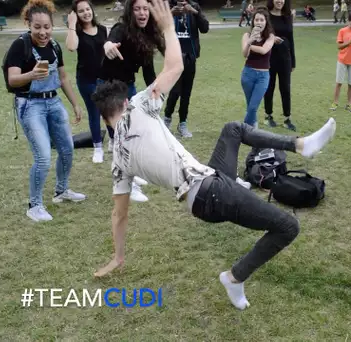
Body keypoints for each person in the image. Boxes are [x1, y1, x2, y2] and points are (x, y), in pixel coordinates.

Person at [90, 0, 337, 311]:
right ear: (124, 102)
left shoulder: (118, 162)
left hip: (206, 187)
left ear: (105, 117)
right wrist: (167, 27)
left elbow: (119, 215)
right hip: (211, 193)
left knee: (234, 129)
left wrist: (118, 256)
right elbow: (176, 67)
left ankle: (301, 145)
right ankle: (235, 278)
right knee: (288, 227)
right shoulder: (139, 105)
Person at [5, 0, 86, 222]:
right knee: (42, 157)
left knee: (67, 150)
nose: (43, 32)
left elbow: (62, 77)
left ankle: (62, 191)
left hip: (54, 102)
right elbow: (12, 79)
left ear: (52, 26)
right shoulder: (19, 46)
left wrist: (75, 103)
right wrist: (30, 75)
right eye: (37, 27)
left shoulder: (54, 46)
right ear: (28, 24)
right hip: (30, 105)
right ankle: (35, 205)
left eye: (47, 27)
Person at [99, 0, 167, 203]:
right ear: (131, 11)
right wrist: (108, 45)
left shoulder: (148, 35)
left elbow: (148, 70)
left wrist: (155, 91)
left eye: (145, 8)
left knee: (134, 133)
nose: (142, 12)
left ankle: (132, 174)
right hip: (110, 88)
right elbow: (111, 40)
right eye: (137, 8)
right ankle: (127, 184)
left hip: (128, 86)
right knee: (123, 136)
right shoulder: (122, 28)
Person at [65, 0, 108, 164]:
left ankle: (112, 139)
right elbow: (70, 47)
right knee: (94, 113)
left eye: (88, 9)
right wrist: (71, 24)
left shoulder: (103, 30)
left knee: (108, 111)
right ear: (76, 14)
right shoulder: (77, 33)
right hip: (86, 80)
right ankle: (98, 147)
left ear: (92, 10)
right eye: (81, 11)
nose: (86, 13)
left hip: (105, 78)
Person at [163, 0, 209, 138]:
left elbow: (205, 28)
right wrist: (171, 13)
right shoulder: (168, 6)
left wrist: (195, 13)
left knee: (186, 93)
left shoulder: (194, 6)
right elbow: (157, 27)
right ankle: (167, 119)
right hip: (174, 56)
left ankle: (182, 123)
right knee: (175, 91)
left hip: (190, 56)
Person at [264, 0, 297, 130]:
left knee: (285, 89)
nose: (279, 1)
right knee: (269, 87)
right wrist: (272, 39)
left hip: (285, 59)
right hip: (270, 58)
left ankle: (287, 119)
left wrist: (293, 60)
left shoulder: (287, 16)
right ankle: (268, 116)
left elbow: (291, 38)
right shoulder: (267, 16)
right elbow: (262, 35)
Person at [240, 7, 275, 127]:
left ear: (266, 22)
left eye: (262, 20)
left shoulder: (270, 37)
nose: (259, 22)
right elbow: (245, 54)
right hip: (248, 74)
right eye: (257, 20)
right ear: (253, 21)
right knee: (251, 106)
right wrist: (250, 41)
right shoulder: (247, 35)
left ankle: (244, 130)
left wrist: (249, 46)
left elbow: (264, 50)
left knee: (253, 107)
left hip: (263, 76)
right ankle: (254, 136)